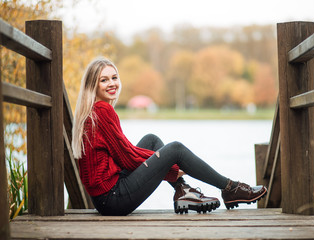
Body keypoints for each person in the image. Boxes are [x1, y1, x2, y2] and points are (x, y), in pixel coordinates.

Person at [72, 57, 267, 216]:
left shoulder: (92, 111)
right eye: (104, 80)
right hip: (113, 199)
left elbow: (124, 154)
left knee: (151, 140)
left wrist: (166, 168)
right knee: (175, 149)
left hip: (105, 197)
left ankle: (183, 191)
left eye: (114, 77)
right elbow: (127, 158)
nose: (112, 83)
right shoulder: (102, 111)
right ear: (93, 85)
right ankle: (229, 188)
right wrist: (171, 169)